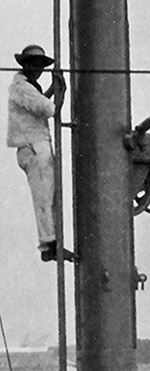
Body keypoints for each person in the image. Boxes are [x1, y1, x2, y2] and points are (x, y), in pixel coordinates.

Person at [7, 45, 69, 263]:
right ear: (24, 65)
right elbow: (50, 110)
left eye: (40, 65)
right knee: (43, 196)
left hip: (34, 146)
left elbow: (40, 103)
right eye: (33, 64)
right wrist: (61, 93)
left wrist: (53, 90)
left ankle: (51, 242)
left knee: (48, 195)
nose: (37, 69)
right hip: (33, 147)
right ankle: (48, 244)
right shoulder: (21, 88)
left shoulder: (28, 87)